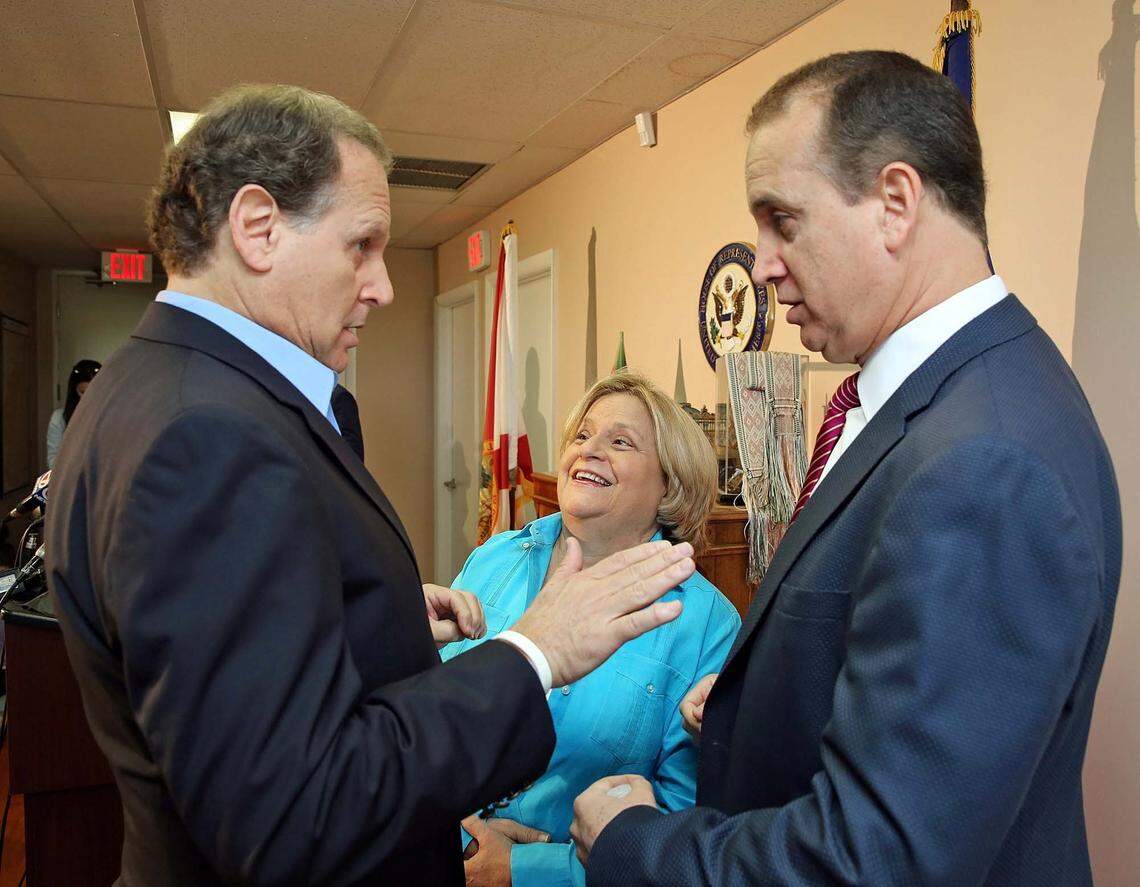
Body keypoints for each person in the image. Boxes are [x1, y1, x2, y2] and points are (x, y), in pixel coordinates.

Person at [45, 84, 697, 886]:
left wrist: (366, 624)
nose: (383, 285)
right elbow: (294, 812)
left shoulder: (147, 386)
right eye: (362, 245)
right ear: (257, 227)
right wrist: (537, 651)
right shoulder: (208, 436)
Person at [573, 50, 1121, 886]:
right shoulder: (936, 405)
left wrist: (633, 842)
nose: (759, 264)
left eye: (782, 220)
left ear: (896, 204)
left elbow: (879, 861)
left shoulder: (985, 461)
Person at [442, 370, 740, 887]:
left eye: (620, 441)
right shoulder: (495, 558)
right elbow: (423, 712)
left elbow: (684, 822)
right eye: (582, 435)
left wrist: (526, 870)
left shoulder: (706, 622)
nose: (589, 449)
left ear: (670, 483)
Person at [45, 358, 100, 468]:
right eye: (83, 392)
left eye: (94, 391)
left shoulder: (111, 417)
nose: (89, 397)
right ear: (75, 391)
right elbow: (52, 460)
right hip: (70, 478)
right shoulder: (59, 418)